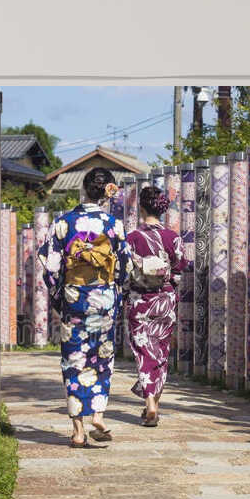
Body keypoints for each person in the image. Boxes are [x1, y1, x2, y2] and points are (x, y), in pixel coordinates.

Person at [39, 167, 127, 448]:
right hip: (104, 297)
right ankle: (98, 414)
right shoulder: (114, 224)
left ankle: (78, 430)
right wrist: (117, 294)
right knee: (102, 356)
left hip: (75, 296)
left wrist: (59, 297)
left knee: (74, 359)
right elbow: (123, 267)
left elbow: (51, 266)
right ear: (107, 192)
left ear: (84, 189)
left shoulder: (63, 222)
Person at [121, 184, 184, 426]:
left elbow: (125, 271)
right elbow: (178, 271)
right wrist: (168, 287)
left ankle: (150, 404)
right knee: (160, 352)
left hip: (140, 301)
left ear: (141, 207)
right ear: (163, 209)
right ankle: (154, 403)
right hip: (165, 300)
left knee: (143, 351)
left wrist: (127, 294)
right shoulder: (173, 238)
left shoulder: (132, 238)